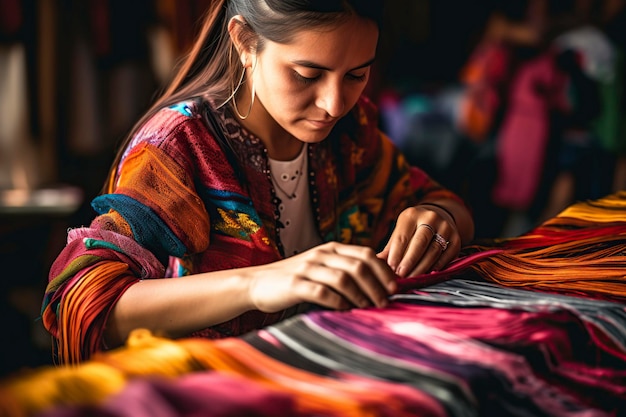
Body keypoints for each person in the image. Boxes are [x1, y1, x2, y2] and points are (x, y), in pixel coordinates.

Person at [41, 0, 474, 365]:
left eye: (357, 75)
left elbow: (442, 203)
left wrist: (436, 218)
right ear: (246, 42)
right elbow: (79, 303)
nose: (335, 103)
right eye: (307, 75)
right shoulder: (178, 146)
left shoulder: (351, 132)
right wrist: (258, 283)